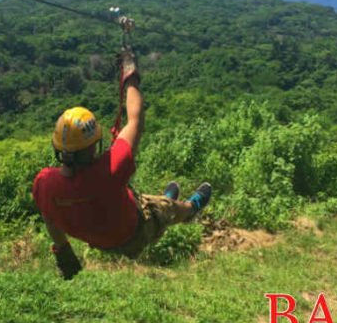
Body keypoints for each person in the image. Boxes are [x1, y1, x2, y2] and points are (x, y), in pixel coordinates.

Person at [31, 29, 212, 280]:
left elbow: (50, 218)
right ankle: (191, 208)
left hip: (99, 237)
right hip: (131, 234)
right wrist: (130, 73)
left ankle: (165, 198)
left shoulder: (44, 184)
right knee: (166, 211)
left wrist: (62, 249)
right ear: (95, 144)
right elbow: (135, 119)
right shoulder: (112, 168)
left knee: (143, 200)